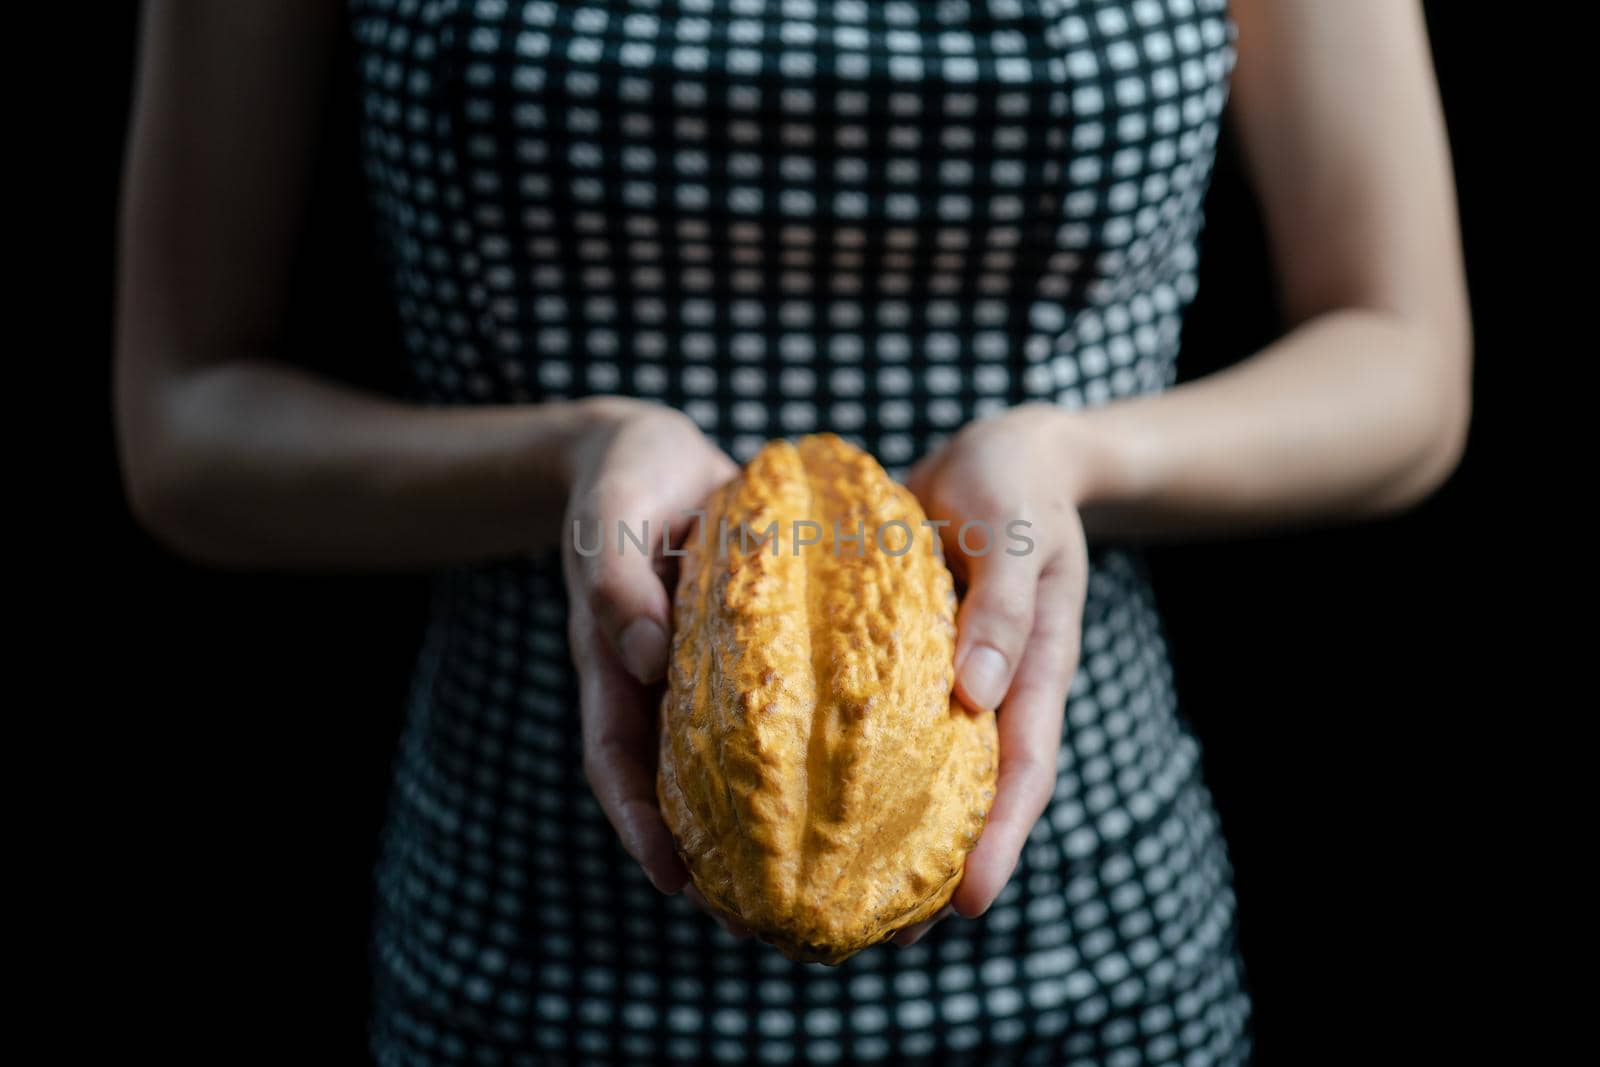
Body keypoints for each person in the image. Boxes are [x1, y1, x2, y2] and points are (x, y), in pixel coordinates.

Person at [116, 2, 1469, 1064]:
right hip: (536, 935)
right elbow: (187, 427)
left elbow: (1407, 362)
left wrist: (1079, 455)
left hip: (1088, 936)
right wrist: (565, 457)